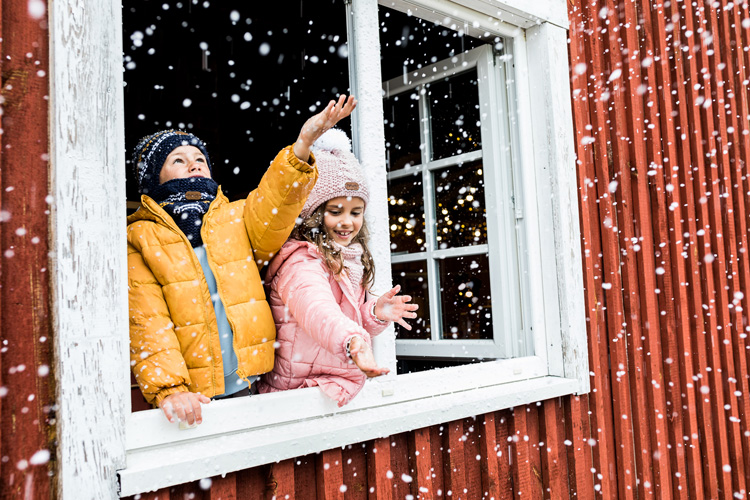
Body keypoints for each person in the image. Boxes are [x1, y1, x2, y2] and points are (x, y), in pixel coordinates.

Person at [128, 95, 357, 425]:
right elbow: (148, 321)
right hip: (191, 395)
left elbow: (275, 202)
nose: (193, 164)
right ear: (153, 178)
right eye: (177, 160)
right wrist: (170, 387)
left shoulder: (234, 218)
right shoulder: (141, 237)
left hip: (248, 381)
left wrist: (303, 143)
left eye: (199, 158)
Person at [258, 128, 418, 407]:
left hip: (326, 389)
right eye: (335, 212)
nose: (347, 222)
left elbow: (345, 312)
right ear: (314, 215)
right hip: (297, 395)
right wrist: (354, 342)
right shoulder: (301, 262)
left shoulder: (348, 257)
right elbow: (318, 310)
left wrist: (373, 314)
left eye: (356, 212)